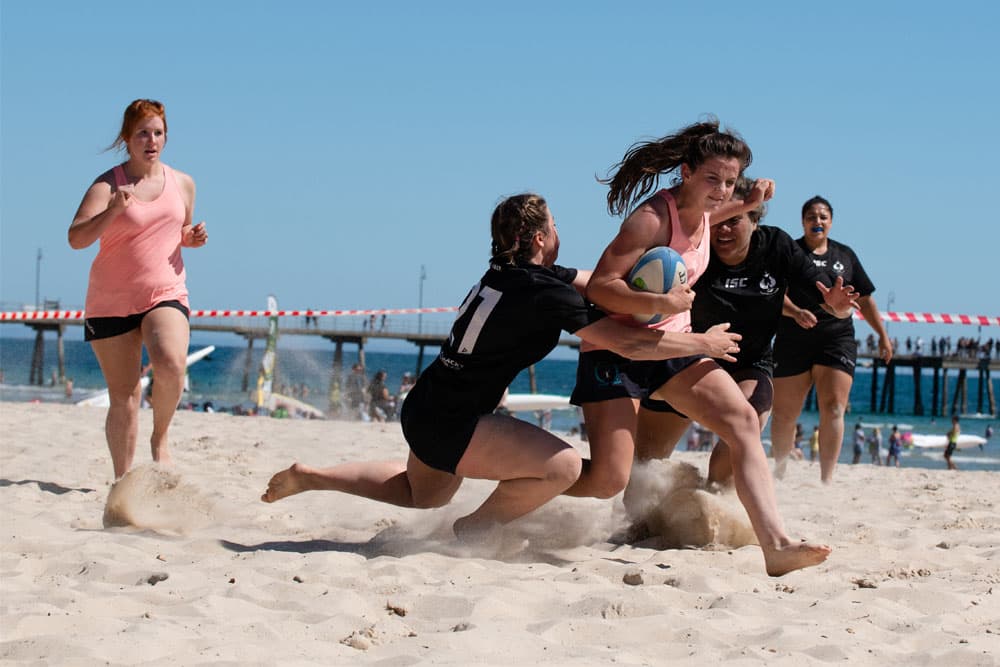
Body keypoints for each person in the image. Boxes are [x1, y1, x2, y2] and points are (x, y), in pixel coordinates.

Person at [262, 193, 742, 541]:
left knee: (420, 494)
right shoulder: (542, 291)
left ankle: (312, 476)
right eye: (555, 226)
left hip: (427, 407)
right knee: (565, 466)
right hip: (458, 422)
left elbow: (597, 284)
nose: (560, 233)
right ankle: (476, 530)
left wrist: (656, 296)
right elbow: (627, 345)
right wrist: (701, 340)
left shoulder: (509, 275)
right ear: (538, 237)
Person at [579, 119, 831, 576]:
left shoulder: (707, 214)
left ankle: (776, 545)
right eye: (712, 178)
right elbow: (600, 288)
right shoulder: (652, 218)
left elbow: (716, 213)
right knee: (610, 477)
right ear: (686, 171)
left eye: (730, 182)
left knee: (742, 422)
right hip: (620, 348)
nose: (720, 191)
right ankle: (533, 496)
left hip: (672, 344)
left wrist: (751, 201)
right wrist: (660, 300)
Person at [628, 176, 856, 485]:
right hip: (686, 360)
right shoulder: (693, 249)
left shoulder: (776, 246)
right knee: (644, 471)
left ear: (755, 218)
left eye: (733, 220)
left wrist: (839, 306)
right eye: (718, 219)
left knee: (744, 428)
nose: (722, 229)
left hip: (748, 364)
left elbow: (831, 302)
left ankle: (710, 502)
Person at [69, 99, 206, 480]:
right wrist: (112, 210)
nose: (152, 140)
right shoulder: (106, 185)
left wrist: (189, 239)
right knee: (125, 397)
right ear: (127, 139)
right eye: (143, 133)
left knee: (171, 363)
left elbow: (175, 232)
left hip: (165, 291)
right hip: (110, 301)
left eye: (158, 132)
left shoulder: (183, 183)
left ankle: (159, 440)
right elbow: (76, 238)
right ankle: (123, 480)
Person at [769, 195, 893, 483]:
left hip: (836, 337)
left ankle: (826, 478)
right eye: (812, 216)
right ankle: (779, 472)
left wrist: (883, 337)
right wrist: (796, 312)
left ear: (831, 222)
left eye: (823, 216)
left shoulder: (845, 255)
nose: (818, 221)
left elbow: (865, 299)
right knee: (786, 413)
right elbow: (774, 292)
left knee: (834, 407)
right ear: (802, 221)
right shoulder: (791, 252)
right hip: (793, 336)